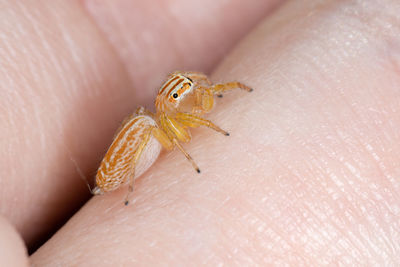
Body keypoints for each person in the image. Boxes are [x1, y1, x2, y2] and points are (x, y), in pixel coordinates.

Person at [1, 0, 399, 265]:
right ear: (173, 97)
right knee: (144, 127)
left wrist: (230, 89)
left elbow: (201, 93)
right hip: (136, 152)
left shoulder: (177, 107)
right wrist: (193, 149)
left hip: (153, 126)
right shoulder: (162, 124)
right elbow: (186, 128)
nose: (195, 99)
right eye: (185, 92)